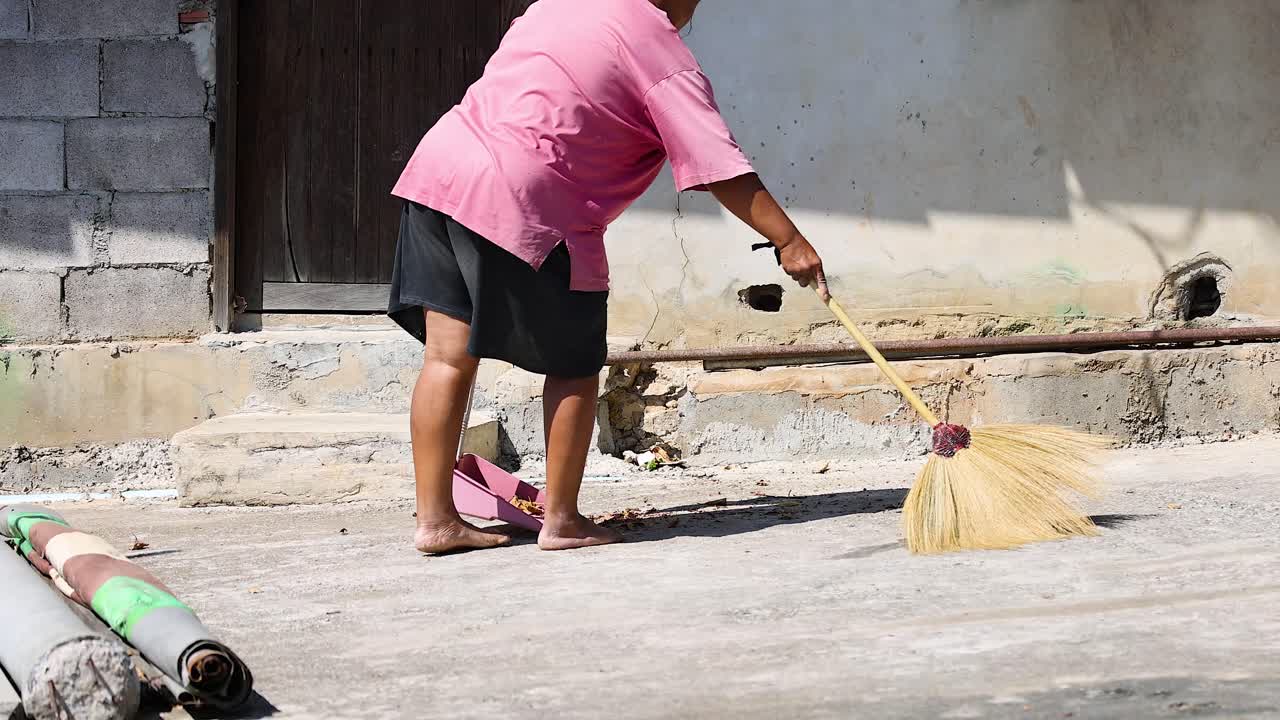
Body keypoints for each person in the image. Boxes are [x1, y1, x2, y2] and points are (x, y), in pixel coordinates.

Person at [389, 0, 828, 554]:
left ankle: (436, 520)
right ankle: (563, 520)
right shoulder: (659, 50)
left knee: (447, 358)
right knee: (574, 367)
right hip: (530, 194)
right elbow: (720, 166)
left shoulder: (558, 4)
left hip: (442, 170)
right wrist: (789, 240)